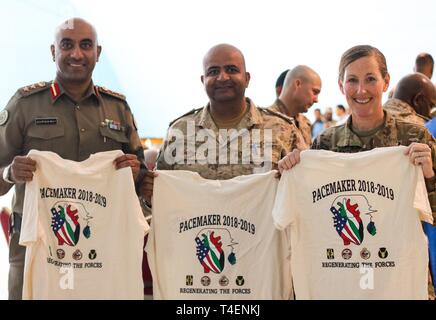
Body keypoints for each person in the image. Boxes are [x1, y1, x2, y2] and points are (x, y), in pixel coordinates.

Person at [0, 18, 148, 300]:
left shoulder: (118, 109)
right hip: (36, 246)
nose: (76, 54)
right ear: (53, 52)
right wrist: (10, 172)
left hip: (101, 250)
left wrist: (136, 171)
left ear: (98, 53)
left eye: (85, 45)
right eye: (67, 45)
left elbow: (141, 178)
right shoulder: (24, 105)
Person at [278, 44, 436, 299]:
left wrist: (429, 175)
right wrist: (295, 167)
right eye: (352, 80)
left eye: (370, 79)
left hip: (398, 280)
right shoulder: (324, 144)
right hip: (343, 280)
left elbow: (431, 215)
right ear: (341, 86)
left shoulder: (415, 137)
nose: (361, 90)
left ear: (386, 82)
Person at [155, 43, 306, 178]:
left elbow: (305, 189)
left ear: (247, 79)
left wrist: (297, 168)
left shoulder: (283, 129)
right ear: (203, 81)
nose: (222, 77)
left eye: (231, 69)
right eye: (213, 72)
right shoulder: (179, 131)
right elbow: (159, 193)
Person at [268, 66, 322, 146]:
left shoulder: (305, 123)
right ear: (297, 84)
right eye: (314, 92)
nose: (316, 100)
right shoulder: (263, 122)